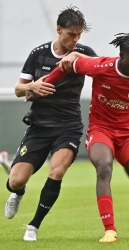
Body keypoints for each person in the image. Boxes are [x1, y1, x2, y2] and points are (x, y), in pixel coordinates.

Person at [47, 33, 129, 243]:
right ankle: (110, 230)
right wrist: (44, 86)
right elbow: (68, 65)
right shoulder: (101, 67)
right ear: (121, 56)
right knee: (104, 167)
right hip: (101, 129)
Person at [4, 6, 98, 241]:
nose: (75, 40)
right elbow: (18, 89)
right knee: (15, 181)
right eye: (71, 35)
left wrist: (79, 57)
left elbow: (102, 68)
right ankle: (18, 193)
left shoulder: (83, 52)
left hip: (68, 126)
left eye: (79, 35)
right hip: (39, 126)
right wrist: (32, 86)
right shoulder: (38, 54)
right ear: (58, 29)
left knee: (57, 171)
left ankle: (33, 226)